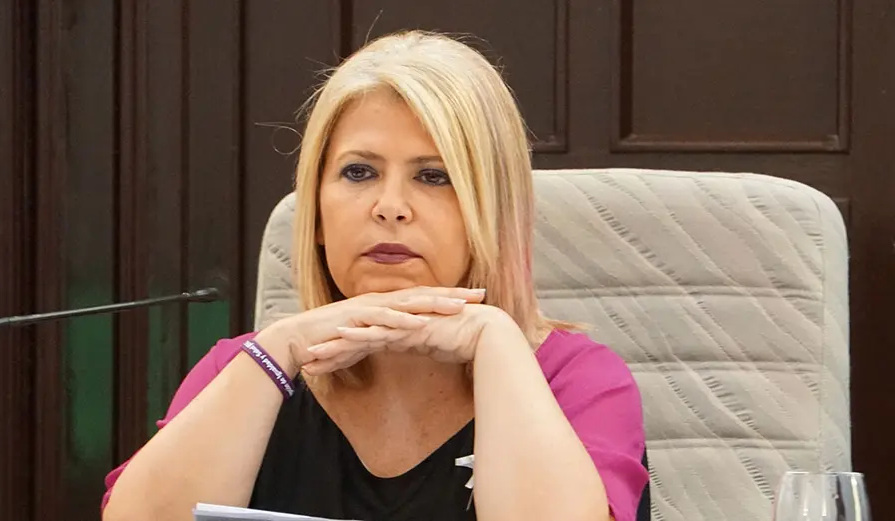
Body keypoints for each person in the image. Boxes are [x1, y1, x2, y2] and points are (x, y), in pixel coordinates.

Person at [102, 30, 649, 521]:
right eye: (358, 172)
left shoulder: (578, 380)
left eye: (434, 176)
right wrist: (280, 348)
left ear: (494, 213)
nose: (389, 207)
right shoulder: (246, 367)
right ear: (317, 214)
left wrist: (497, 344)